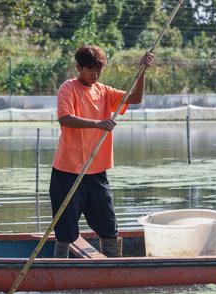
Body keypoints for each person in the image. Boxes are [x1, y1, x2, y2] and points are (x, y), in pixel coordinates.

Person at [50, 45, 154, 258]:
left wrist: (142, 71)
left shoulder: (103, 91)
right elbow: (65, 118)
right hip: (68, 172)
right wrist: (98, 124)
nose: (95, 75)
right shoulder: (68, 88)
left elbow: (135, 98)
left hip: (96, 172)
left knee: (108, 225)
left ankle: (114, 268)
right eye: (90, 70)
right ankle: (60, 268)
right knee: (65, 230)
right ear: (78, 67)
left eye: (98, 70)